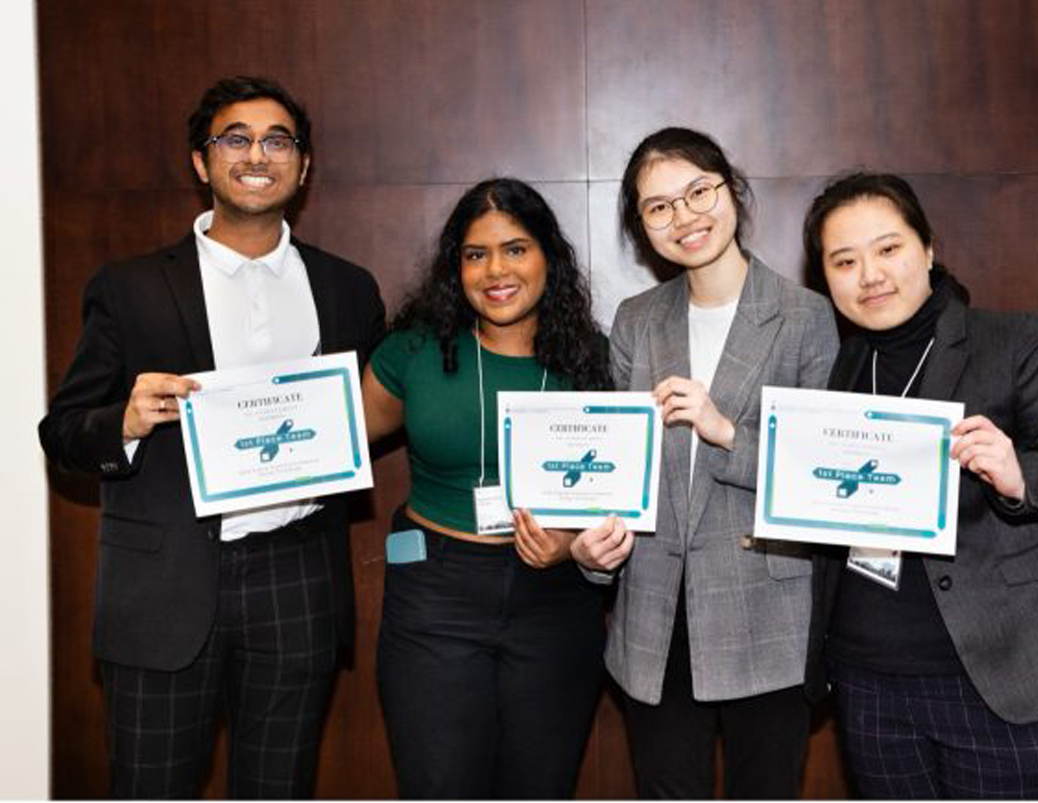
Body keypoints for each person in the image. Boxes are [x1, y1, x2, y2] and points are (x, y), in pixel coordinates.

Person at [38, 76, 385, 798]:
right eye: (236, 138)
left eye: (278, 140)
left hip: (298, 576)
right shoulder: (130, 286)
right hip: (164, 584)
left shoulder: (349, 288)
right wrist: (125, 422)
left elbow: (365, 417)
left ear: (304, 164)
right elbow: (63, 432)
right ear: (202, 162)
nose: (258, 153)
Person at [800, 172, 1038, 799]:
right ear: (826, 278)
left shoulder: (1011, 343)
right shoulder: (839, 370)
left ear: (928, 248)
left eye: (889, 249)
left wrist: (1019, 475)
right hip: (871, 683)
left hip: (1000, 679)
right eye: (845, 260)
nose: (870, 275)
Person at [582, 127, 838, 799]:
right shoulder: (636, 320)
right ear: (642, 227)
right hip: (654, 615)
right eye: (658, 206)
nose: (684, 216)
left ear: (733, 190)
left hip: (767, 611)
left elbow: (822, 480)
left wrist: (726, 431)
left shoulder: (805, 316)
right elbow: (617, 465)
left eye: (698, 191)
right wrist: (590, 546)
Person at [362, 178, 617, 799]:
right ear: (457, 267)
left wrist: (574, 542)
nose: (495, 270)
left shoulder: (597, 360)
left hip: (554, 601)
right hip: (435, 596)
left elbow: (622, 490)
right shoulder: (415, 352)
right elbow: (335, 445)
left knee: (541, 786)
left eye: (515, 249)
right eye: (476, 254)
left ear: (548, 259)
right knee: (439, 784)